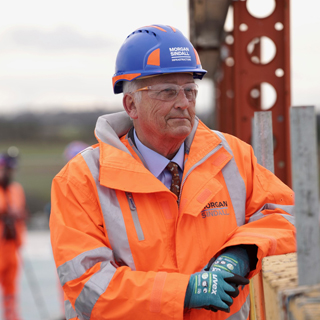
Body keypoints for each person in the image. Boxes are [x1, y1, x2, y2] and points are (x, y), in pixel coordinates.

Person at [49, 24, 296, 320]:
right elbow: (87, 284)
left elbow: (287, 215)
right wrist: (184, 292)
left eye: (190, 91)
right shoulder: (80, 180)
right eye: (168, 92)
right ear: (131, 104)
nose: (184, 103)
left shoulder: (232, 157)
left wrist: (242, 252)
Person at [0, 148, 27, 320]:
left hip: (12, 246)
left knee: (11, 290)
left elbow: (23, 213)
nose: (8, 173)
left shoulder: (16, 189)